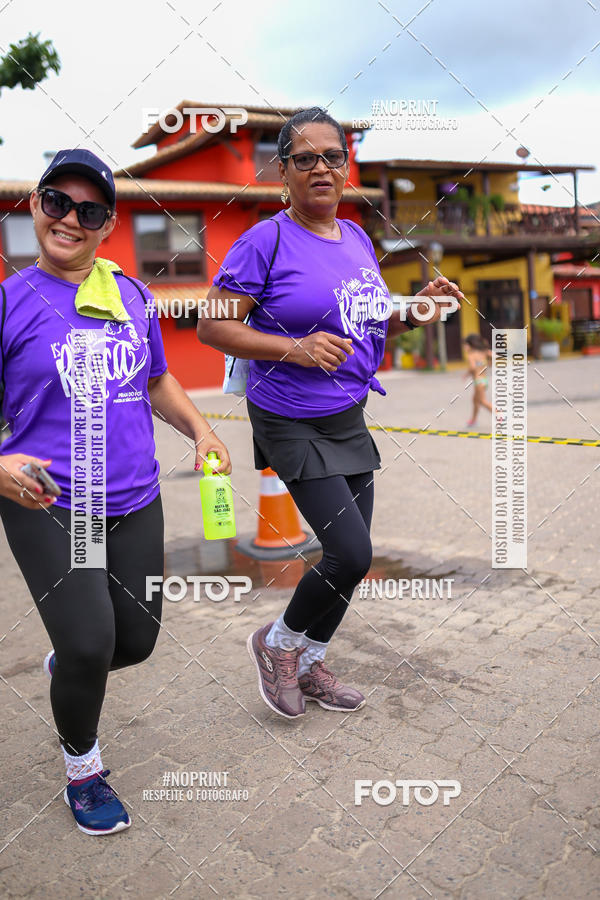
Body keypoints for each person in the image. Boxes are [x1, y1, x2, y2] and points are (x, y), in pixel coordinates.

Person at [198, 107, 463, 719]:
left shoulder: (357, 239)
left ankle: (311, 664)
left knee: (352, 557)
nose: (320, 167)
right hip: (289, 416)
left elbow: (362, 318)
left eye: (332, 156)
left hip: (348, 413)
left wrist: (414, 307)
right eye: (304, 158)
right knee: (351, 553)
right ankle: (278, 645)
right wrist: (294, 348)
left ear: (347, 167)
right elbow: (212, 326)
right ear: (283, 172)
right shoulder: (262, 241)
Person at [0, 149, 231, 834]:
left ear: (107, 225)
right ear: (37, 206)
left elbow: (157, 379)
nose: (69, 219)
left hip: (135, 498)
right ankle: (84, 768)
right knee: (92, 641)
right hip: (50, 500)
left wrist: (202, 429)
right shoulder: (10, 302)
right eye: (55, 202)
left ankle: (70, 658)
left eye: (89, 210)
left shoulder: (130, 295)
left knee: (134, 641)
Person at [463, 333, 493, 426]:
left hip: (478, 381)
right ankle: (474, 420)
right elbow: (492, 358)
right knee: (475, 400)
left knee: (482, 401)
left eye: (465, 345)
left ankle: (501, 416)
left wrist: (468, 373)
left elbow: (472, 367)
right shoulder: (483, 352)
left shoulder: (471, 355)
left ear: (470, 345)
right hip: (484, 380)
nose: (464, 347)